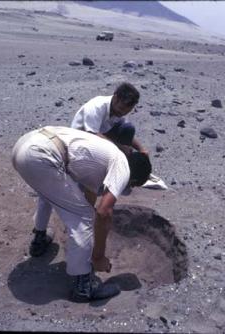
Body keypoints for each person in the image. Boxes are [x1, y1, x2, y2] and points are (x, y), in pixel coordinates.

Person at [11, 126, 151, 302]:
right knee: (84, 215)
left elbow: (89, 192)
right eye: (131, 185)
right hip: (40, 155)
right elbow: (103, 212)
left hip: (25, 145)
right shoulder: (123, 166)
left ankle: (39, 240)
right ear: (133, 178)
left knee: (49, 193)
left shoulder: (107, 152)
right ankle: (84, 287)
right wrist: (98, 257)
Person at [71, 82, 148, 157]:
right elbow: (92, 135)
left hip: (101, 133)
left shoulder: (118, 110)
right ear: (115, 98)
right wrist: (120, 148)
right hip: (83, 140)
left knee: (128, 129)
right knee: (117, 150)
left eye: (127, 111)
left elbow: (122, 127)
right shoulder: (96, 107)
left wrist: (141, 149)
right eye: (122, 109)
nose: (123, 113)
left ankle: (123, 160)